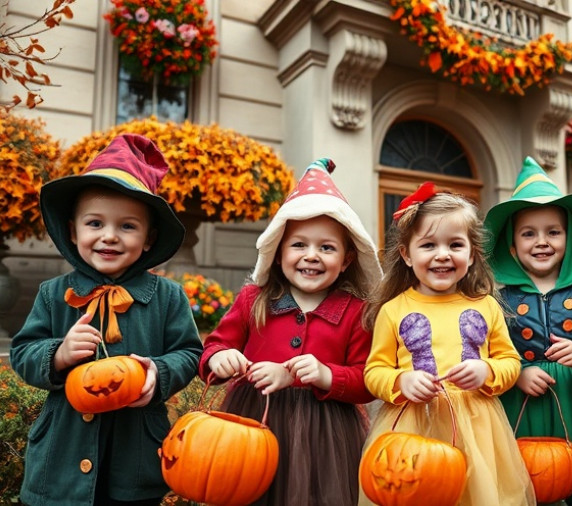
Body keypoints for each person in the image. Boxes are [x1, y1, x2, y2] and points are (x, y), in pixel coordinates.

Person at [10, 134, 202, 506]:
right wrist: (59, 354)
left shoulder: (167, 297)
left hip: (135, 459)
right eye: (95, 223)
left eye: (127, 226)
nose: (109, 237)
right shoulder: (54, 294)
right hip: (61, 458)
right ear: (73, 231)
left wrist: (156, 374)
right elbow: (22, 353)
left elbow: (189, 353)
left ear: (149, 238)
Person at [199, 159, 382, 506]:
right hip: (250, 420)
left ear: (345, 260)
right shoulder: (254, 299)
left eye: (326, 248)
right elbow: (216, 346)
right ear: (280, 251)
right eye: (299, 245)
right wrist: (220, 358)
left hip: (327, 434)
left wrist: (326, 375)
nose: (311, 256)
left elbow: (365, 380)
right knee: (250, 490)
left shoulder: (356, 312)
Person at [361, 182, 536, 506]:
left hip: (478, 429)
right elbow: (374, 371)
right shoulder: (394, 310)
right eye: (428, 245)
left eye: (455, 245)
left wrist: (486, 370)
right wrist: (401, 380)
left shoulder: (485, 305)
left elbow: (510, 362)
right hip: (412, 427)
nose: (442, 254)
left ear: (471, 256)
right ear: (407, 255)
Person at [484, 156, 572, 506]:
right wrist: (516, 373)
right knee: (529, 484)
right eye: (529, 233)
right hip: (522, 410)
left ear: (569, 239)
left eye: (553, 232)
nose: (541, 241)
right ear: (512, 245)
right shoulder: (497, 302)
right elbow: (488, 354)